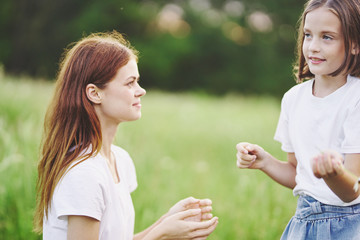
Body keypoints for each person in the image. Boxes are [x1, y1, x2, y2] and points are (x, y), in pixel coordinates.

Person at [33, 31, 218, 240]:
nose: (141, 91)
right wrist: (163, 234)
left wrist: (166, 221)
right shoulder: (83, 173)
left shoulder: (120, 160)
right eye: (130, 83)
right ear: (94, 93)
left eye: (137, 81)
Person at [236, 0, 360, 239]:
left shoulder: (355, 98)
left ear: (354, 44)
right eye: (308, 35)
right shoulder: (293, 99)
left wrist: (333, 174)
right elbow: (297, 174)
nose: (312, 46)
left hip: (349, 225)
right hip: (304, 221)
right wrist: (264, 161)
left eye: (327, 37)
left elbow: (352, 191)